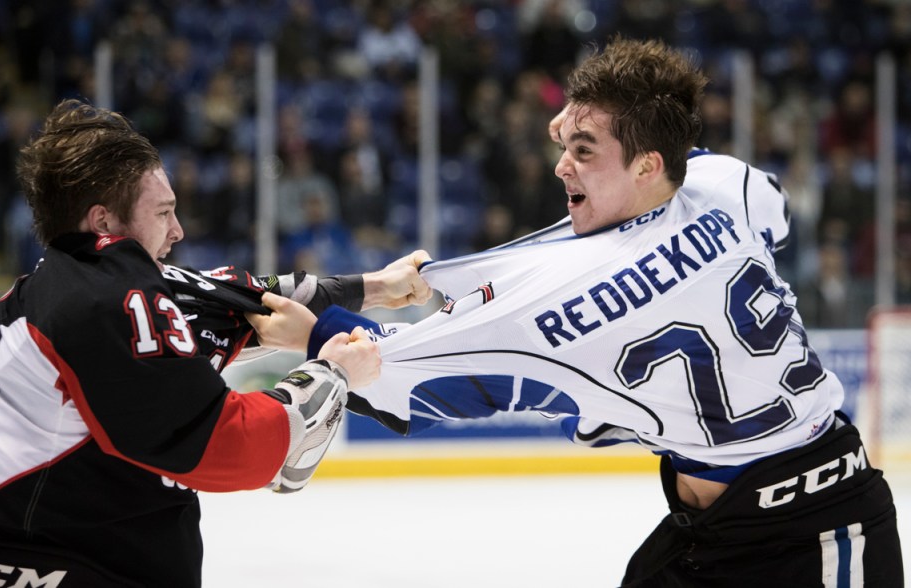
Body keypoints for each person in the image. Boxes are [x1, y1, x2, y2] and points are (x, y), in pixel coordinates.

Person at [310, 38, 903, 586]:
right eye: (566, 145)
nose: (562, 164)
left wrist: (317, 328)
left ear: (646, 166)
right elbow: (768, 202)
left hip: (816, 535)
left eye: (582, 150)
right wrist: (629, 139)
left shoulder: (574, 291)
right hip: (739, 523)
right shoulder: (722, 184)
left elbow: (416, 374)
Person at [0, 99, 431, 588]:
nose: (178, 231)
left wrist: (377, 286)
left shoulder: (80, 281)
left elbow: (245, 296)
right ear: (104, 223)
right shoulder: (101, 302)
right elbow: (231, 447)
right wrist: (335, 373)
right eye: (163, 213)